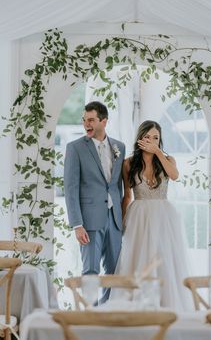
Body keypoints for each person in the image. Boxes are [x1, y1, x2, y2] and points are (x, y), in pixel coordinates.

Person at [111, 120, 192, 311]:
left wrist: (157, 152)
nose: (151, 141)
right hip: (139, 217)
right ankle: (137, 308)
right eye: (147, 137)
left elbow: (174, 175)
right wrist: (121, 223)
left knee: (164, 259)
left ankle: (166, 307)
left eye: (156, 138)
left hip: (164, 217)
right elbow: (127, 195)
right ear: (140, 138)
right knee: (138, 259)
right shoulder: (128, 163)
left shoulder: (168, 160)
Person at [64, 101, 125, 302]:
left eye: (91, 120)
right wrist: (77, 224)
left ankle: (107, 314)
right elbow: (70, 189)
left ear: (104, 121)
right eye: (84, 120)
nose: (86, 124)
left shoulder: (119, 147)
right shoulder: (75, 148)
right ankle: (89, 316)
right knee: (90, 271)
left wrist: (121, 217)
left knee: (114, 271)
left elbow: (117, 186)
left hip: (114, 219)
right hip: (88, 221)